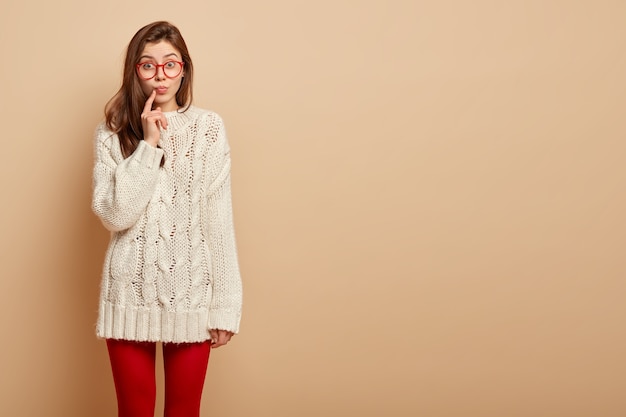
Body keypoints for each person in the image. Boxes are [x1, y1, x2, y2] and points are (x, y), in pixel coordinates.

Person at [91, 21, 242, 417]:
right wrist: (148, 145)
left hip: (192, 296)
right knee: (134, 412)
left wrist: (226, 306)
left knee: (184, 412)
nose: (160, 75)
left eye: (170, 64)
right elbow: (114, 215)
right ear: (134, 71)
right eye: (148, 65)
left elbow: (218, 222)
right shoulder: (111, 134)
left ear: (184, 70)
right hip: (127, 297)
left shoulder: (208, 129)